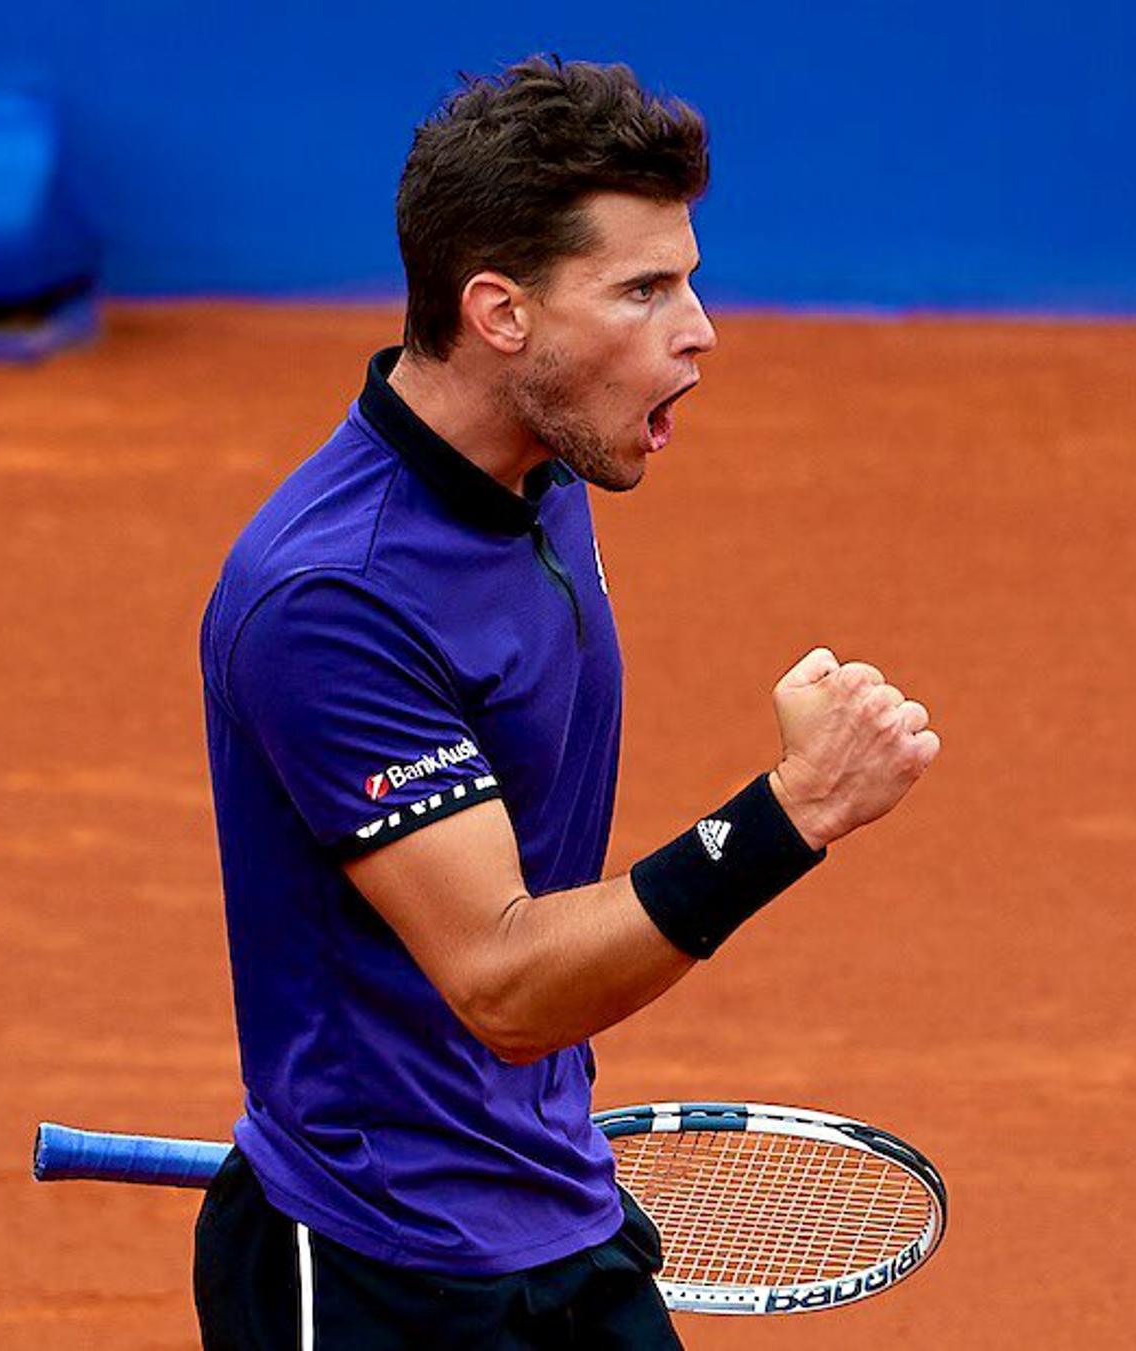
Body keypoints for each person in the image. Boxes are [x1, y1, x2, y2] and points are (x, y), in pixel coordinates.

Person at [191, 55, 940, 1350]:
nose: (698, 330)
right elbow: (505, 983)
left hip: (551, 1205)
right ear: (501, 314)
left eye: (688, 279)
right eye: (645, 290)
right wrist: (790, 812)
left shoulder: (542, 473)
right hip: (382, 1264)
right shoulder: (334, 600)